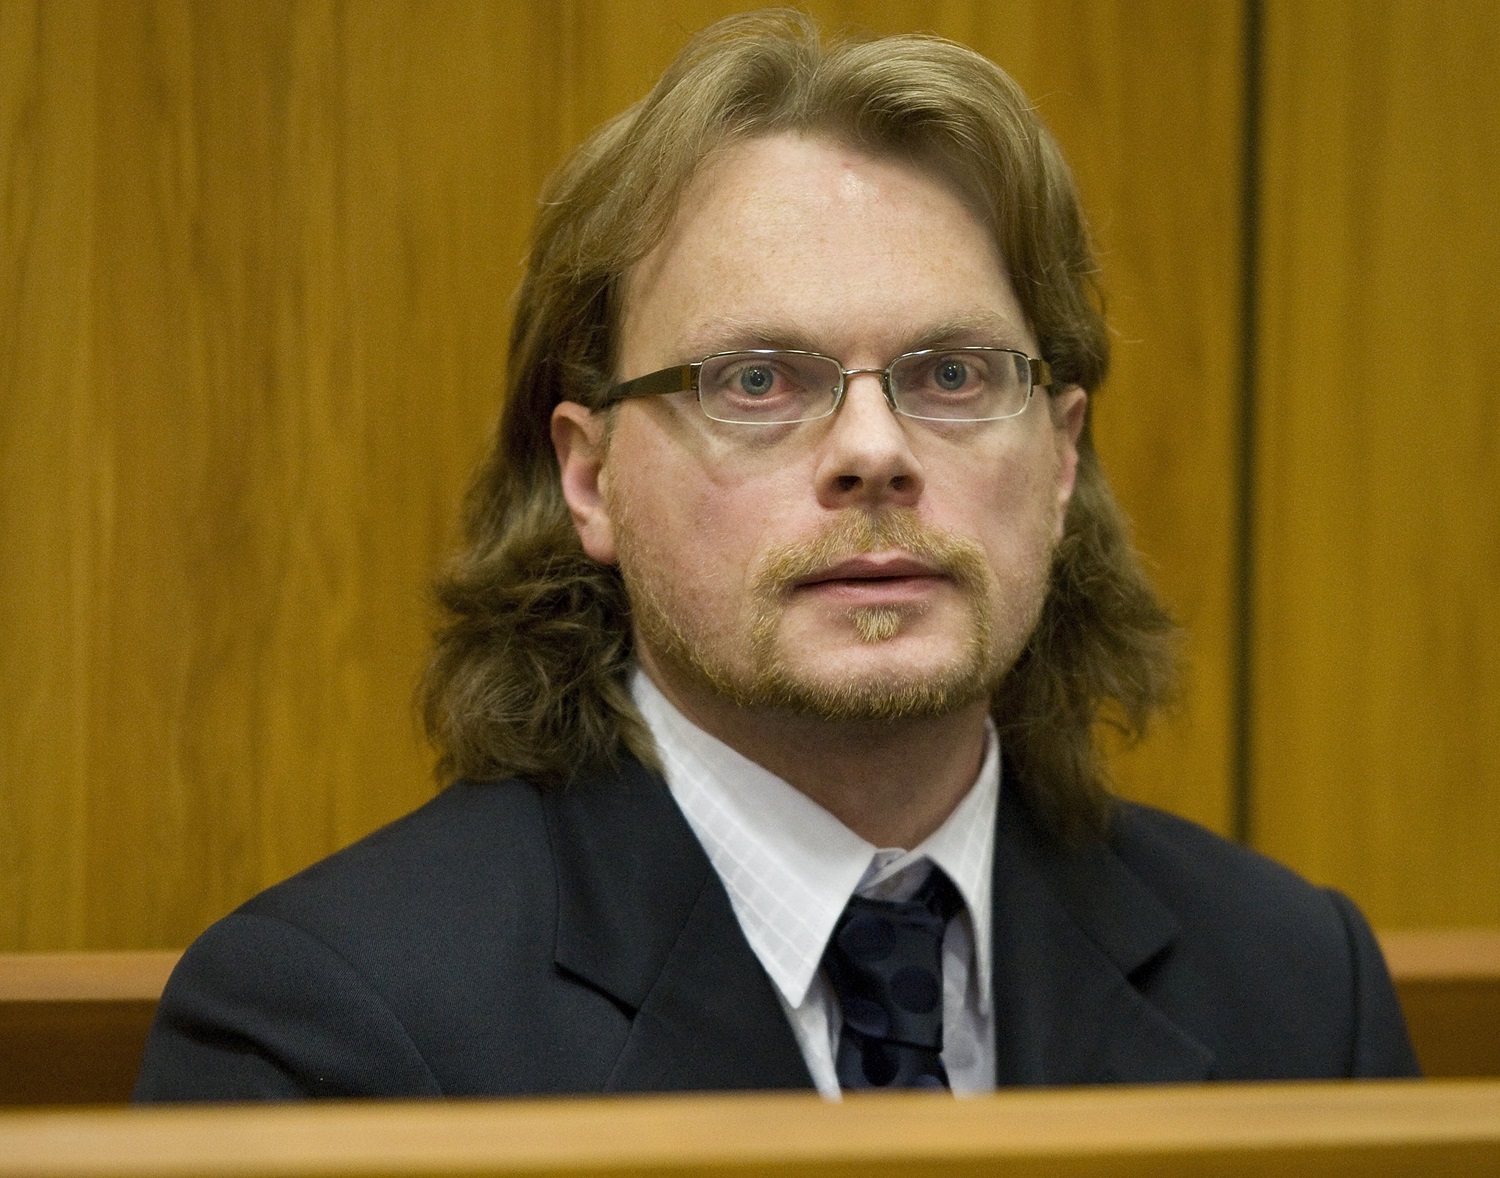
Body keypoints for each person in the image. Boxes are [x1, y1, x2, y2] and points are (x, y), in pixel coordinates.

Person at [135, 10, 1418, 1101]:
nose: (874, 449)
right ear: (592, 478)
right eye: (757, 379)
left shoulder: (1302, 991)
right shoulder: (331, 1029)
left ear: (1062, 458)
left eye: (955, 373)